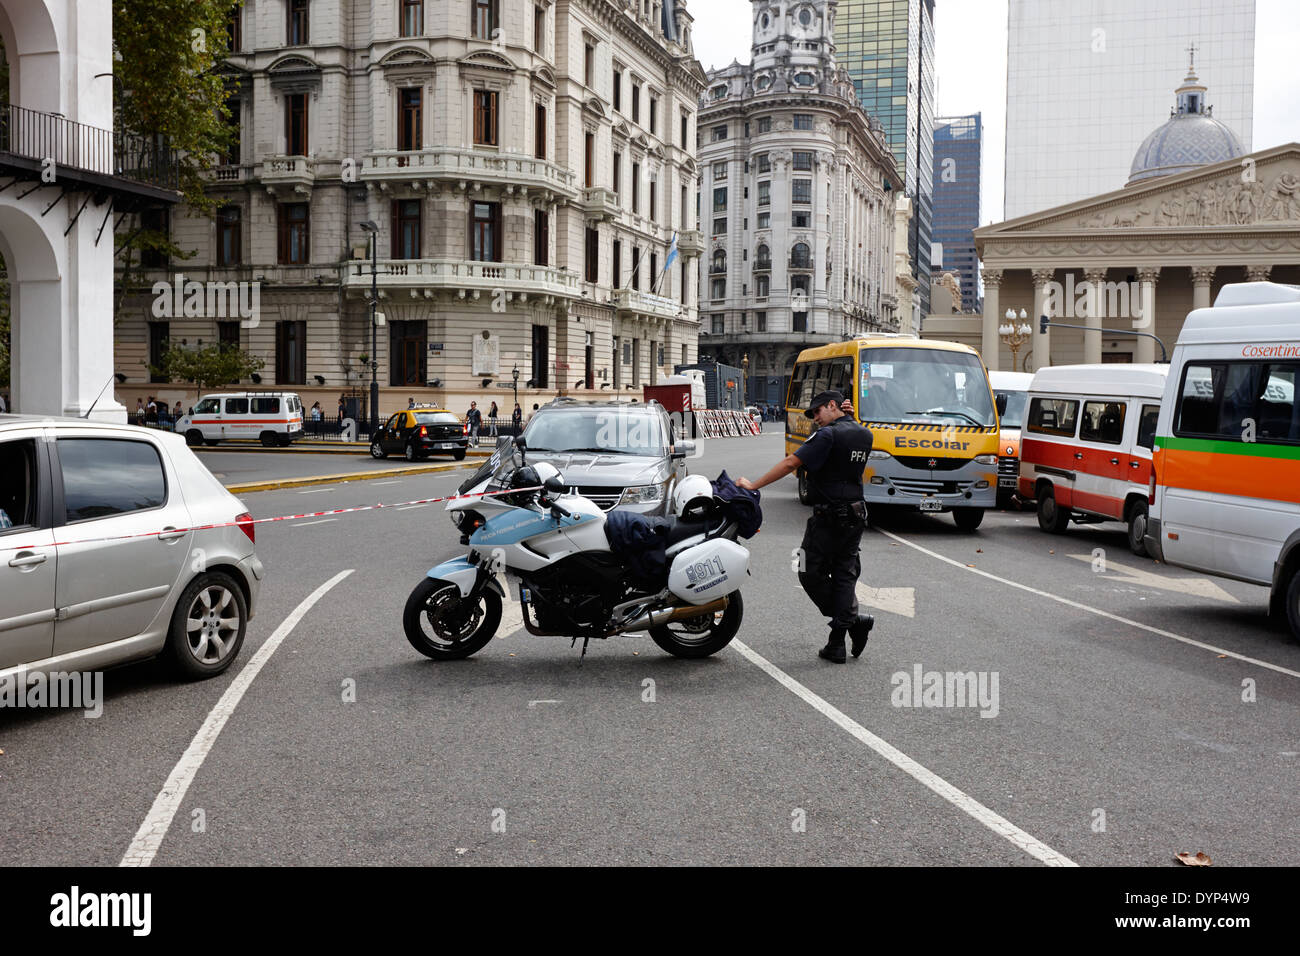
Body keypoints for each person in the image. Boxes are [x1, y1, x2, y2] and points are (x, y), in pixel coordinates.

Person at [735, 390, 875, 663]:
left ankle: (853, 621)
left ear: (832, 406)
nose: (816, 419)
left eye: (818, 412)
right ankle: (839, 640)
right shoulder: (864, 433)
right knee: (845, 574)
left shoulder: (827, 435)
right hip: (856, 515)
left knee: (806, 570)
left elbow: (791, 463)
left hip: (828, 518)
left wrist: (753, 485)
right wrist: (850, 418)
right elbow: (850, 440)